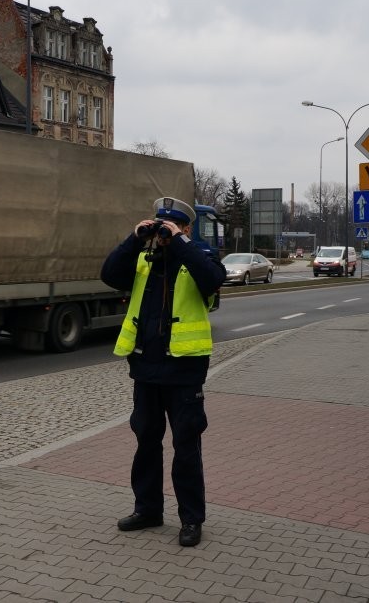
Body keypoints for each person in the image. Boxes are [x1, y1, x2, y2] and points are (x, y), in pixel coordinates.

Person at [101, 197, 225, 547]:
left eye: (171, 226)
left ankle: (191, 519)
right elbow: (109, 274)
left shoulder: (200, 258)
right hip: (146, 368)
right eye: (160, 225)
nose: (163, 232)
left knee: (186, 446)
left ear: (186, 228)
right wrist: (135, 238)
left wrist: (181, 243)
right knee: (146, 443)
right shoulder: (143, 259)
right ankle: (148, 509)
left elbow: (213, 280)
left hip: (184, 371)